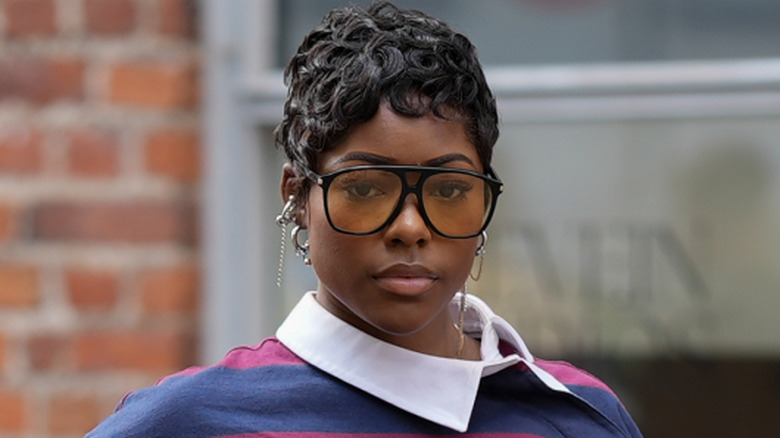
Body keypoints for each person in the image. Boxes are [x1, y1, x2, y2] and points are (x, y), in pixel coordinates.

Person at [87, 2, 643, 436]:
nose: (410, 226)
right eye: (367, 187)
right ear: (297, 195)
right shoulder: (191, 422)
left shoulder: (580, 415)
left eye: (450, 189)